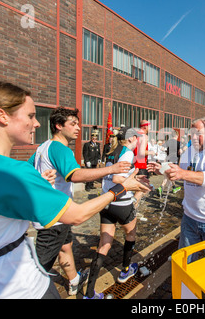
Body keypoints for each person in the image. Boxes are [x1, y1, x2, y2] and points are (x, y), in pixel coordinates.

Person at [0, 80, 149, 299]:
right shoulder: (9, 171)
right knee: (48, 256)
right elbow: (78, 214)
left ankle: (74, 279)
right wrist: (120, 188)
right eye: (30, 116)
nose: (37, 124)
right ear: (2, 116)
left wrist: (37, 181)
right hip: (18, 287)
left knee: (66, 247)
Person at [28, 107, 133, 296]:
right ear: (59, 126)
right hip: (54, 219)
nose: (78, 128)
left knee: (66, 247)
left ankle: (74, 280)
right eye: (73, 124)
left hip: (57, 216)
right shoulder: (61, 148)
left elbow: (30, 171)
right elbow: (75, 175)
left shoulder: (43, 146)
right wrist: (111, 169)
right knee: (38, 272)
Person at [148, 118, 205, 260]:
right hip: (190, 217)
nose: (193, 137)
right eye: (191, 133)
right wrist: (163, 170)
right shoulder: (189, 151)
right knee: (186, 262)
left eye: (198, 133)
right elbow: (182, 174)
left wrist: (183, 173)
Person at [85, 127, 146, 299]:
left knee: (104, 244)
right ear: (132, 138)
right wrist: (139, 186)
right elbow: (118, 179)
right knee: (131, 235)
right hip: (121, 202)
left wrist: (135, 178)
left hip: (107, 202)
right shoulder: (127, 153)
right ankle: (125, 271)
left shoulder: (112, 150)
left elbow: (112, 175)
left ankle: (89, 294)